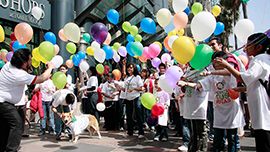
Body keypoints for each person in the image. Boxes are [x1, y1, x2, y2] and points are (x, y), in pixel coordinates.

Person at [216, 33, 270, 152]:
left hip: (263, 112)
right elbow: (255, 83)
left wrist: (227, 66)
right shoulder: (264, 59)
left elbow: (245, 78)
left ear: (259, 47)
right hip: (261, 111)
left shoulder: (259, 60)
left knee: (264, 144)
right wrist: (240, 89)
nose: (246, 47)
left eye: (249, 44)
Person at [0, 48, 53, 152]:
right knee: (17, 123)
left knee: (6, 127)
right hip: (3, 103)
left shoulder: (8, 65)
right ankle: (11, 149)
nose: (31, 61)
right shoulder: (19, 74)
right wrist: (50, 67)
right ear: (24, 63)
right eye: (30, 59)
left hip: (4, 102)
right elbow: (42, 78)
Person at [177, 66, 209, 152]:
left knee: (201, 133)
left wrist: (186, 83)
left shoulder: (203, 70)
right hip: (189, 106)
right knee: (192, 133)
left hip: (199, 107)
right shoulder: (187, 71)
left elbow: (200, 86)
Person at [115, 63, 144, 138]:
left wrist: (134, 88)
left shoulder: (137, 77)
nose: (129, 69)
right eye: (128, 68)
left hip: (135, 98)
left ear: (134, 69)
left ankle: (141, 132)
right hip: (128, 99)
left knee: (138, 115)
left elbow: (142, 88)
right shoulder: (127, 78)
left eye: (131, 68)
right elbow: (125, 89)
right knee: (129, 116)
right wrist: (119, 87)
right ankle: (130, 131)